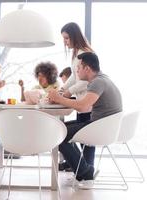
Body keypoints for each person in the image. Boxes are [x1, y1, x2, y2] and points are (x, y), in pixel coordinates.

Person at [48, 52, 122, 188]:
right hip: (102, 124)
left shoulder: (98, 82)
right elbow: (83, 104)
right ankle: (83, 170)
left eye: (78, 68)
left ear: (87, 68)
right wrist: (62, 98)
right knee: (59, 128)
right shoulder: (101, 79)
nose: (76, 71)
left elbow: (83, 107)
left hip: (101, 127)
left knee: (59, 134)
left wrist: (59, 99)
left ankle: (85, 171)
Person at [60, 22, 95, 170]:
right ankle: (80, 165)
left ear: (74, 36)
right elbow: (75, 77)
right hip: (83, 104)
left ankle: (87, 168)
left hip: (88, 103)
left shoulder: (85, 54)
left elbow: (84, 80)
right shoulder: (77, 54)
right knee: (83, 137)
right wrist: (63, 88)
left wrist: (68, 92)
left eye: (67, 38)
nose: (65, 42)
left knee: (87, 139)